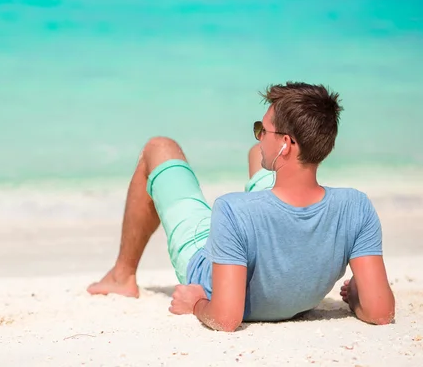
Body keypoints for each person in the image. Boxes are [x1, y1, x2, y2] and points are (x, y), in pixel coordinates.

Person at [87, 82, 395, 331]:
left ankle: (122, 276)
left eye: (263, 130)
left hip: (210, 256)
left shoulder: (233, 211)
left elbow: (225, 317)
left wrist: (194, 303)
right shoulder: (356, 207)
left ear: (286, 144)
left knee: (159, 147)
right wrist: (356, 295)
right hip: (284, 273)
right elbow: (380, 312)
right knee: (256, 155)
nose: (260, 135)